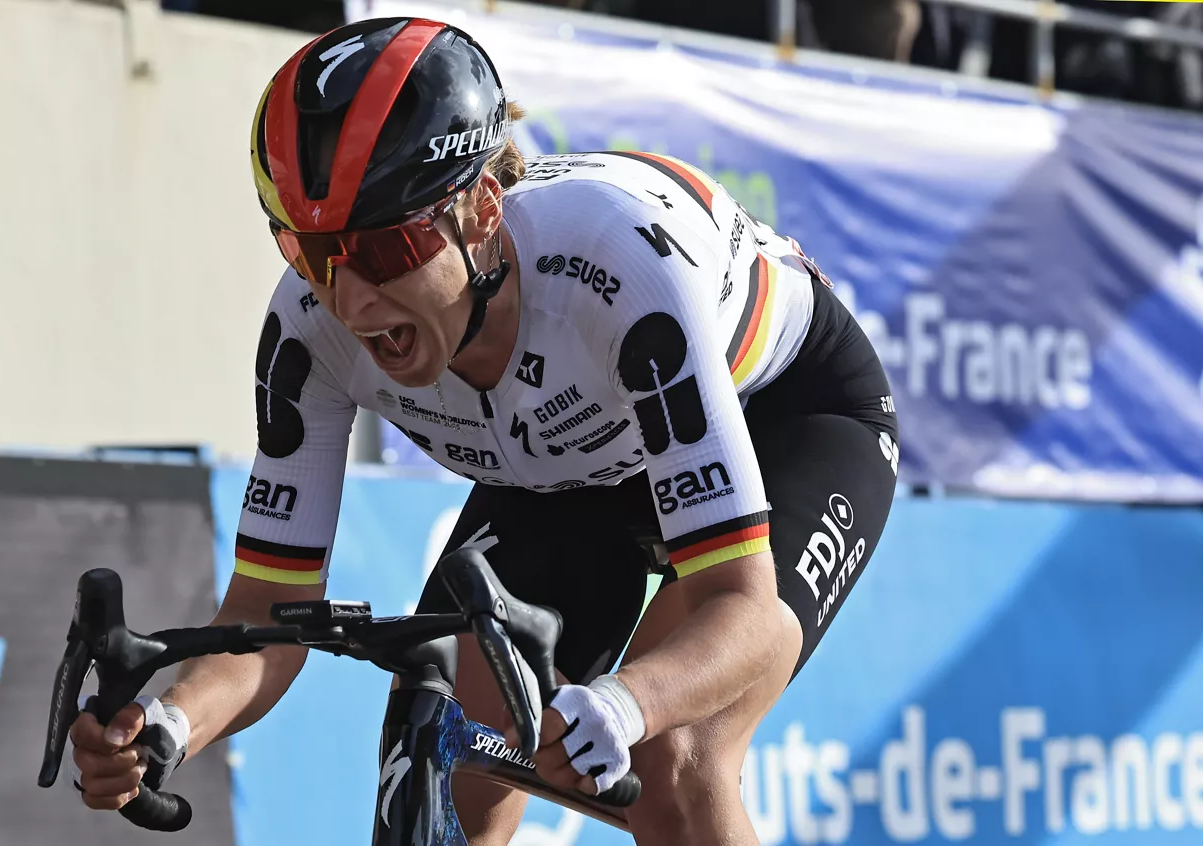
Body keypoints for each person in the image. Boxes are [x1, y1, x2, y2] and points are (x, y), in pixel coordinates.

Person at [68, 17, 899, 845]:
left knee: (676, 757)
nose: (352, 301)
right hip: (572, 467)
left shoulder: (619, 272)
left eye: (387, 248)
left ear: (482, 211)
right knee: (439, 737)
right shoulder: (308, 332)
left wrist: (626, 700)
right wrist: (168, 728)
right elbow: (270, 610)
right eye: (310, 251)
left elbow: (741, 611)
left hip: (782, 417)